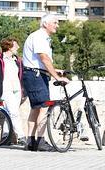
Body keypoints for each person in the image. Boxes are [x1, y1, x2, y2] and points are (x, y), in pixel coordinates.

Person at [22, 13, 69, 151]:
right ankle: (41, 142)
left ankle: (31, 142)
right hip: (36, 76)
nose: (57, 25)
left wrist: (55, 70)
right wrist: (57, 77)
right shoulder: (39, 37)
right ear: (45, 24)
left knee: (36, 108)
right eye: (55, 22)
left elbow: (41, 62)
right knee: (44, 107)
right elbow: (44, 58)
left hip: (34, 74)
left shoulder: (40, 37)